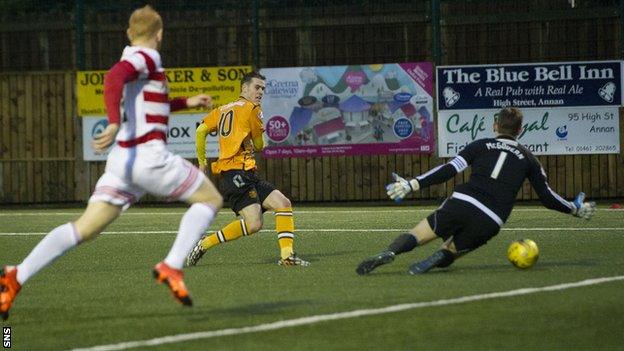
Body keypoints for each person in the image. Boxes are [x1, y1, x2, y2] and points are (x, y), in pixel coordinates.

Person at [0, 5, 223, 320]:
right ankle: (172, 265)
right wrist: (114, 122)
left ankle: (15, 275)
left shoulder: (134, 58)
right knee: (211, 199)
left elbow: (147, 101)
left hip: (122, 162)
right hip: (147, 156)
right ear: (160, 34)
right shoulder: (147, 57)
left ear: (129, 34)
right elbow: (114, 77)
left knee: (84, 229)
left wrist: (186, 102)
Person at [356, 107, 596, 276]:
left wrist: (412, 184)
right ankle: (443, 255)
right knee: (453, 249)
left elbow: (448, 169)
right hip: (492, 217)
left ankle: (389, 252)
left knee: (418, 234)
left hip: (462, 202)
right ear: (520, 130)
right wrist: (574, 208)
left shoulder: (479, 145)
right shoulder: (529, 159)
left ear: (495, 125)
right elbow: (547, 197)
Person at [187, 71, 309, 267]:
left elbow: (201, 131)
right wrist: (261, 140)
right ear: (244, 88)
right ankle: (204, 244)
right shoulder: (253, 109)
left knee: (282, 203)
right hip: (236, 172)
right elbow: (260, 146)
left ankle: (287, 257)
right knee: (254, 224)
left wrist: (202, 162)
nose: (260, 92)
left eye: (263, 89)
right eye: (257, 87)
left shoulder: (222, 109)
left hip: (243, 172)